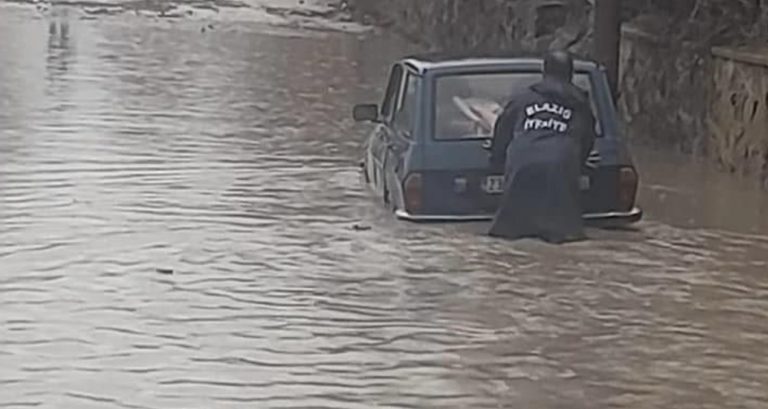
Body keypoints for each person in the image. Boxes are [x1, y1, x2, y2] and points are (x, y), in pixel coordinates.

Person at [487, 50, 597, 243]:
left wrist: (496, 160)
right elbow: (587, 138)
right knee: (565, 236)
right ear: (570, 74)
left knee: (509, 233)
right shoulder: (580, 104)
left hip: (522, 163)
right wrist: (581, 164)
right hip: (561, 166)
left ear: (544, 72)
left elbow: (502, 130)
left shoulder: (523, 98)